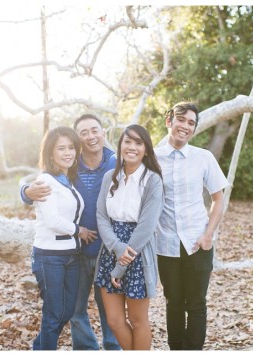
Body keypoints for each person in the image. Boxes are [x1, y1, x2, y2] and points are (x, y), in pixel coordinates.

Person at [21, 114, 121, 350]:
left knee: (109, 306)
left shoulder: (116, 163)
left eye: (94, 130)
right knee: (73, 310)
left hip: (107, 249)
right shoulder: (69, 167)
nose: (90, 136)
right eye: (83, 132)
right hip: (75, 251)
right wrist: (25, 191)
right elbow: (41, 185)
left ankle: (113, 348)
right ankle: (86, 349)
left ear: (103, 133)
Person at [155, 101, 229, 350]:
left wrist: (209, 235)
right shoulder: (152, 158)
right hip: (166, 244)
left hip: (199, 242)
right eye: (181, 120)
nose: (185, 126)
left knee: (196, 303)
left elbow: (219, 199)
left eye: (191, 123)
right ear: (169, 121)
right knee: (173, 302)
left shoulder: (203, 158)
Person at [94, 124, 164, 350]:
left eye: (138, 143)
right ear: (120, 145)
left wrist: (121, 264)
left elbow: (146, 227)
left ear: (146, 149)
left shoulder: (152, 180)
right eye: (128, 141)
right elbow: (102, 216)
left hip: (138, 252)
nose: (132, 147)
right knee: (114, 321)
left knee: (137, 320)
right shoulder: (109, 177)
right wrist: (115, 247)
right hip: (110, 249)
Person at [30, 126, 96, 350]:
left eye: (71, 148)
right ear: (50, 152)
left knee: (67, 311)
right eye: (61, 148)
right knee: (53, 313)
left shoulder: (67, 180)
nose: (68, 153)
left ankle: (39, 347)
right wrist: (80, 231)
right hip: (50, 257)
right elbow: (53, 220)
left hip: (71, 255)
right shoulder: (45, 181)